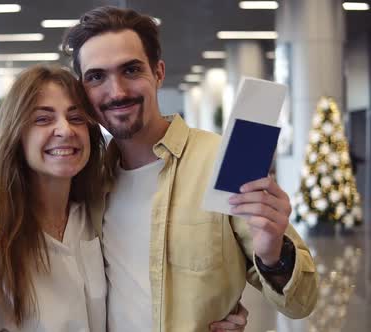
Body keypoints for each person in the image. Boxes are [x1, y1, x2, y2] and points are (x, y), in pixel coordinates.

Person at [62, 6, 318, 332]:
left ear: (158, 72)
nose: (117, 91)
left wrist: (275, 255)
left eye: (131, 70)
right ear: (82, 89)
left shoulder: (230, 159)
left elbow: (302, 303)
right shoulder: (86, 179)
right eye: (97, 76)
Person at [0, 65, 107, 331]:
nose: (65, 130)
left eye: (76, 118)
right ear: (15, 135)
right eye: (42, 119)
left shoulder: (98, 217)